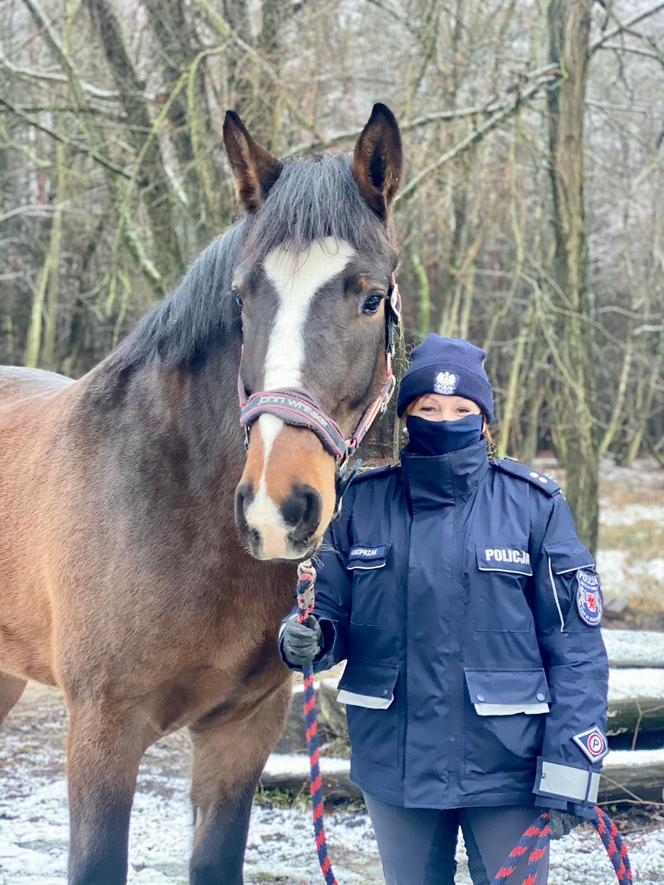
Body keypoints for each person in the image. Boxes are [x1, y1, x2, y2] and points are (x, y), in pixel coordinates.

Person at [279, 334, 609, 885]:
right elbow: (329, 614)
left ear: (484, 420)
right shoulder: (361, 501)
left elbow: (576, 651)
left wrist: (571, 766)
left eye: (461, 409)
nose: (444, 418)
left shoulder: (534, 505)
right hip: (396, 767)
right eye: (428, 408)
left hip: (510, 769)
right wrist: (307, 637)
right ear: (406, 416)